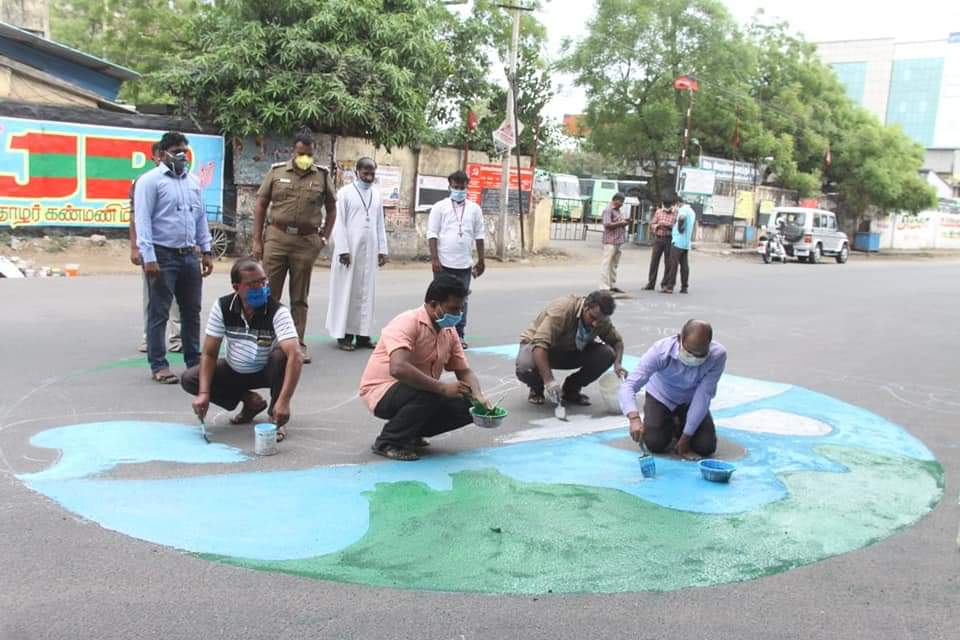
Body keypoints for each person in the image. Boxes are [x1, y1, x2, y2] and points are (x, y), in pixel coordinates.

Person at [359, 274, 490, 461]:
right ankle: (388, 441)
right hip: (382, 391)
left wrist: (478, 397)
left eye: (460, 309)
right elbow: (398, 368)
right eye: (453, 309)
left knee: (470, 406)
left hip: (420, 391)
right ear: (434, 304)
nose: (458, 315)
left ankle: (410, 432)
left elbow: (464, 370)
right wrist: (443, 388)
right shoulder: (407, 322)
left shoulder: (449, 331)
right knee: (432, 391)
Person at [182, 258, 303, 442]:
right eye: (252, 284)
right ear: (236, 287)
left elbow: (296, 355)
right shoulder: (223, 307)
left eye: (263, 281)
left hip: (265, 370)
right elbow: (209, 353)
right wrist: (204, 394)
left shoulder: (277, 311)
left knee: (282, 357)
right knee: (190, 378)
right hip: (234, 368)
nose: (260, 287)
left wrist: (284, 402)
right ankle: (250, 401)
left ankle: (275, 417)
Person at [134, 131, 214, 384]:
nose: (181, 155)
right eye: (177, 150)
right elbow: (142, 220)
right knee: (159, 311)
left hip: (189, 254)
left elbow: (199, 218)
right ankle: (159, 364)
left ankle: (193, 363)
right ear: (162, 154)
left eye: (184, 151)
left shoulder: (192, 182)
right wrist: (148, 257)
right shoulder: (149, 181)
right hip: (162, 254)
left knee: (192, 311)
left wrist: (207, 249)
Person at [252, 132, 337, 364]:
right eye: (301, 153)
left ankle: (296, 344)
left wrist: (324, 238)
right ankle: (265, 340)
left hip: (306, 242)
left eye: (309, 154)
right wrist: (257, 240)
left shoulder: (322, 176)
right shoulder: (277, 172)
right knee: (269, 293)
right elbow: (261, 204)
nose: (305, 158)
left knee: (299, 297)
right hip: (277, 238)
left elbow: (331, 208)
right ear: (293, 151)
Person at [618, 319, 726, 460]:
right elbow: (629, 385)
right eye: (690, 352)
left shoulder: (718, 356)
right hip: (661, 396)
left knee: (706, 447)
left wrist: (686, 438)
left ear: (709, 345)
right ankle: (671, 423)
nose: (694, 358)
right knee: (655, 443)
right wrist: (634, 418)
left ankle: (681, 424)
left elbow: (703, 396)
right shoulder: (660, 351)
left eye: (700, 354)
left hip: (691, 400)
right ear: (680, 338)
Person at [516, 290, 627, 406]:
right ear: (586, 307)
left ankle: (571, 389)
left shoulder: (601, 319)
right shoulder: (562, 310)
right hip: (540, 349)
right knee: (525, 367)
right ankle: (537, 387)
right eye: (592, 318)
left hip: (570, 350)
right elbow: (540, 345)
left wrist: (618, 364)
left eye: (600, 321)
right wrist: (549, 381)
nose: (595, 324)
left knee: (607, 354)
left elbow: (617, 342)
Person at [325, 157, 388, 351]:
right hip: (349, 252)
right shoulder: (344, 193)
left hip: (369, 252)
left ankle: (362, 335)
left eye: (372, 173)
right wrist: (343, 249)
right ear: (357, 172)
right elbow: (338, 222)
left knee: (366, 293)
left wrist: (382, 250)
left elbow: (379, 223)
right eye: (366, 172)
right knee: (347, 292)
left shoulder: (376, 195)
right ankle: (344, 335)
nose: (369, 176)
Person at [130, 142, 181, 354]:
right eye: (161, 156)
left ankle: (177, 338)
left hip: (178, 248)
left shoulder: (183, 181)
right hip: (154, 248)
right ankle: (149, 338)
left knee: (178, 297)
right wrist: (136, 247)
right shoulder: (144, 182)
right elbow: (136, 216)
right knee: (152, 296)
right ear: (155, 157)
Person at [427, 169, 485, 349]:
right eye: (456, 187)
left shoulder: (474, 208)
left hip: (464, 264)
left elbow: (479, 235)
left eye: (462, 187)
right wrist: (434, 258)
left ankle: (458, 335)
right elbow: (432, 234)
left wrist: (481, 260)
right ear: (450, 186)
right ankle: (436, 332)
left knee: (461, 301)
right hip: (443, 263)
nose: (459, 190)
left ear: (467, 186)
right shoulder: (440, 207)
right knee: (440, 299)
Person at [663, 196, 695, 294]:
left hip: (678, 242)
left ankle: (670, 287)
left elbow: (682, 217)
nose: (674, 208)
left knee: (673, 264)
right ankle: (684, 287)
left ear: (678, 203)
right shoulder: (692, 211)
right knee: (684, 265)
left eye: (674, 205)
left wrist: (680, 228)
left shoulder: (683, 209)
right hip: (686, 243)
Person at [644, 198, 676, 291]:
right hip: (658, 238)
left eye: (668, 205)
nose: (667, 207)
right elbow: (652, 223)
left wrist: (669, 227)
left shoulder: (675, 213)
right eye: (665, 205)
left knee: (668, 262)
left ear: (672, 204)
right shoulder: (658, 212)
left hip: (669, 239)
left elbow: (677, 226)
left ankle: (665, 284)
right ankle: (651, 283)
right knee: (654, 261)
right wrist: (658, 226)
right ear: (662, 204)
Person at [599, 193, 629, 293]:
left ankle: (612, 284)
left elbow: (618, 222)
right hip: (610, 241)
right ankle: (604, 286)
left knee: (614, 264)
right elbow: (607, 224)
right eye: (621, 202)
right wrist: (621, 223)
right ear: (615, 200)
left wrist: (624, 223)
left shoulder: (618, 211)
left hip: (618, 241)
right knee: (606, 264)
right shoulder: (608, 210)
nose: (622, 204)